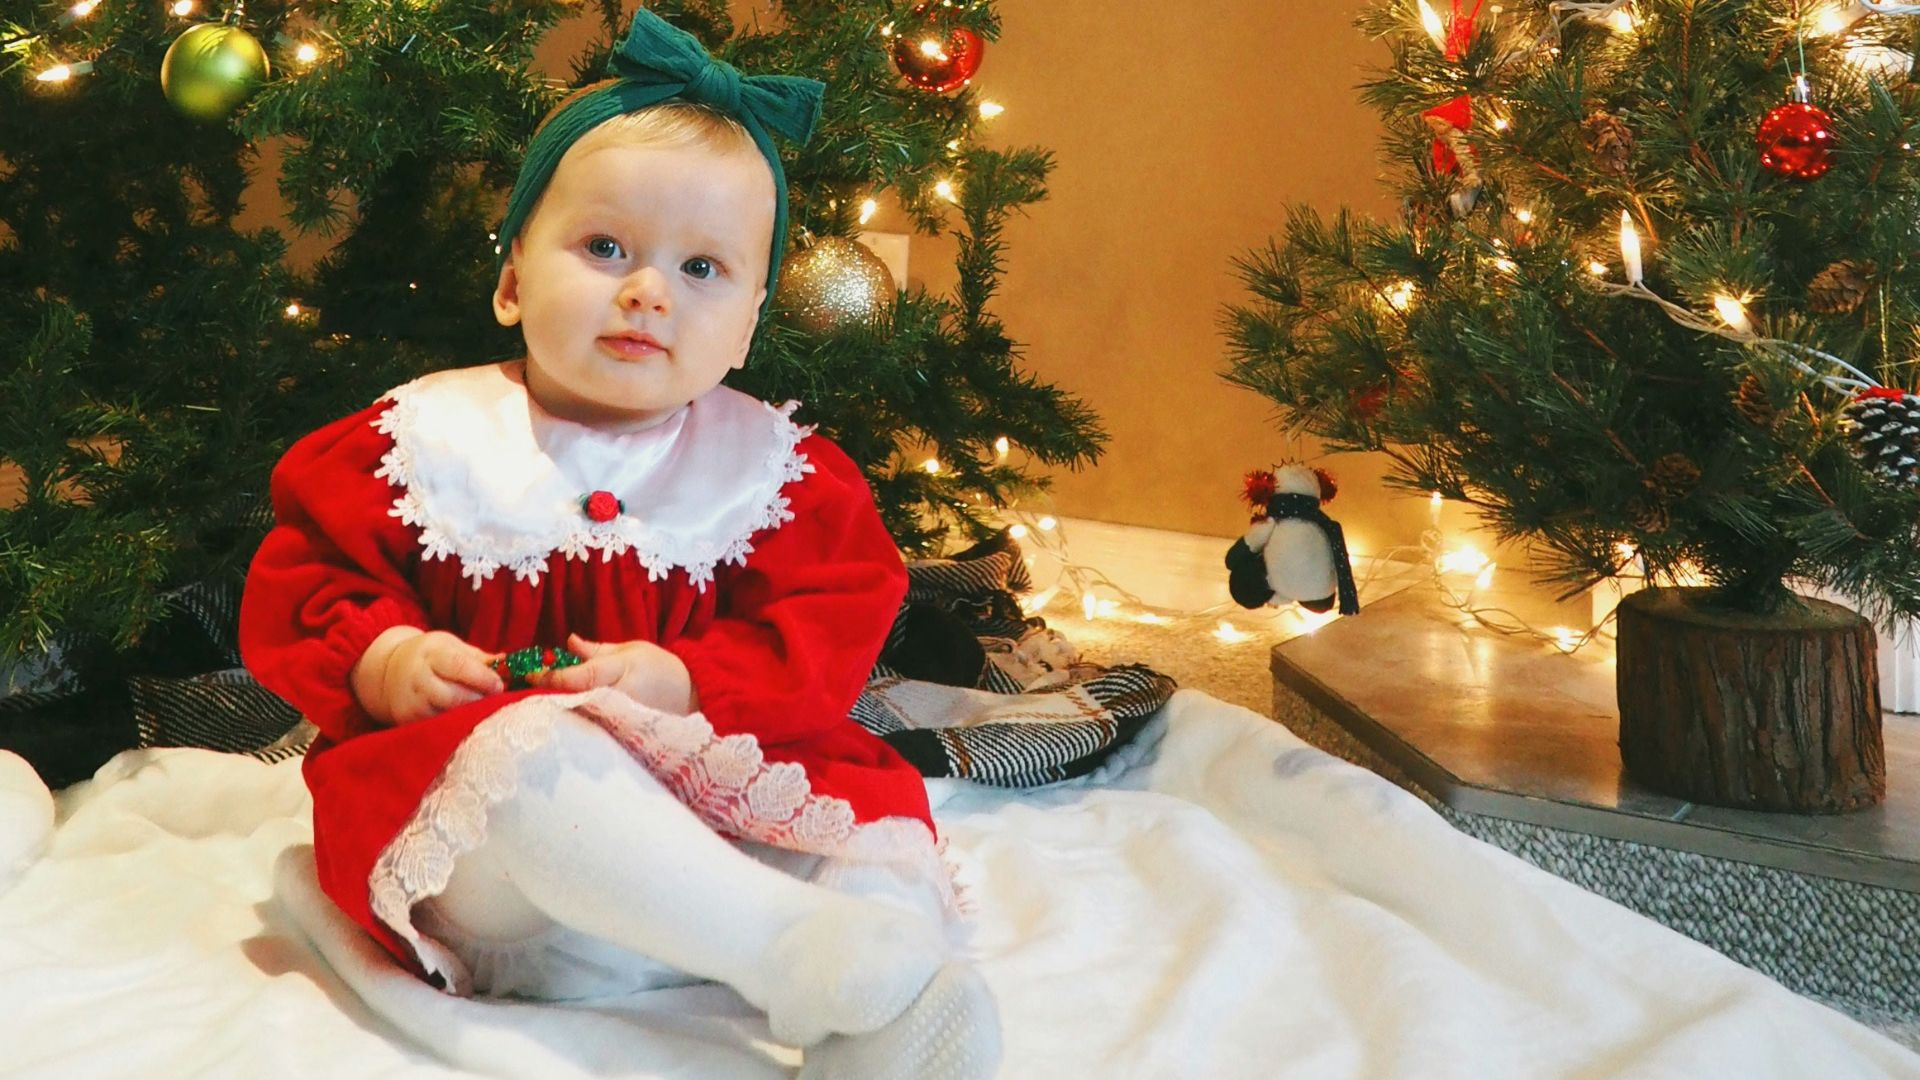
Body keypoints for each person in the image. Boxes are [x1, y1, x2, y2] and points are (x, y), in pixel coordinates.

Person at [240, 12, 999, 1079]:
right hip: (520, 888)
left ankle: (884, 1003)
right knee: (532, 755)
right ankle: (782, 950)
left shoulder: (779, 478)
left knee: (866, 832)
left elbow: (826, 634)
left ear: (749, 325)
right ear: (513, 278)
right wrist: (387, 656)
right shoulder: (417, 446)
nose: (649, 291)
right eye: (605, 249)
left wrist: (691, 681)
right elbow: (306, 586)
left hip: (725, 814)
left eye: (703, 267)